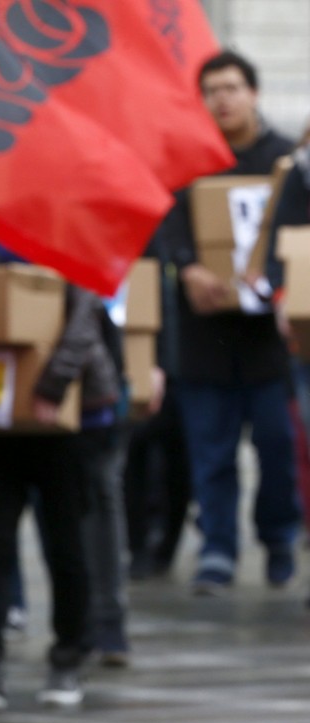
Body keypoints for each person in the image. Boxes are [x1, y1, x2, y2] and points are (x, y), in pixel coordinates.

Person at [161, 50, 299, 595]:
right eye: (212, 90)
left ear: (253, 93)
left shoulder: (287, 160)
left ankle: (279, 537)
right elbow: (167, 226)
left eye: (232, 87)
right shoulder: (189, 161)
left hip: (271, 338)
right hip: (205, 336)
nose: (223, 99)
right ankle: (217, 548)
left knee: (277, 445)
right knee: (210, 449)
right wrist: (189, 267)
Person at [0, 285, 122, 711]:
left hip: (67, 418)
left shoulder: (69, 243)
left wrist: (52, 383)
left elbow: (84, 321)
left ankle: (67, 656)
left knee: (66, 545)